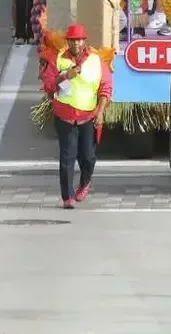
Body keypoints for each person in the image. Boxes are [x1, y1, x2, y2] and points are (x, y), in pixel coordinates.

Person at [46, 23, 112, 206]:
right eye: (72, 40)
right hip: (65, 116)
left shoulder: (96, 61)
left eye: (79, 40)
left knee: (88, 157)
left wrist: (100, 112)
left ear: (84, 41)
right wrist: (65, 76)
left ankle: (84, 183)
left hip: (88, 117)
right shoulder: (58, 59)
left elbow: (106, 87)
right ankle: (67, 197)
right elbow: (49, 85)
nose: (76, 43)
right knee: (67, 157)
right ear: (67, 42)